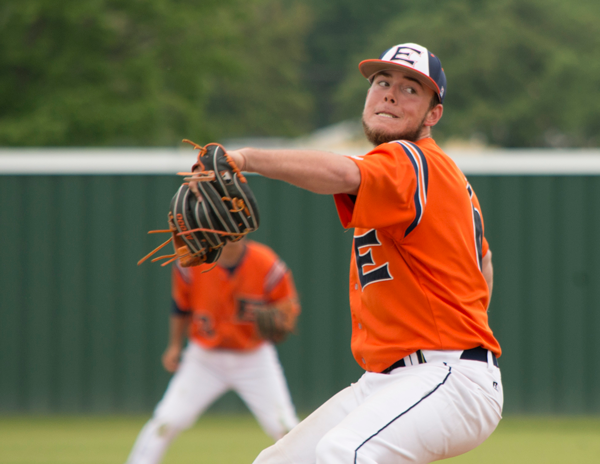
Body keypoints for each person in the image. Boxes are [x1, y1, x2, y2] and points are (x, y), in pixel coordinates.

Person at [194, 43, 503, 463]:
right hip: (395, 379)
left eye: (411, 89)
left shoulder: (409, 157)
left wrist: (245, 158)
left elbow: (342, 172)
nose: (390, 94)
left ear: (433, 115)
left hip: (445, 374)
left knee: (344, 452)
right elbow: (482, 263)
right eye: (381, 82)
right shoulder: (427, 175)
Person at [125, 238, 300, 464]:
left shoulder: (266, 262)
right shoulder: (193, 260)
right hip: (204, 359)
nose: (230, 232)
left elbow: (289, 306)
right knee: (166, 421)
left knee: (285, 427)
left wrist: (282, 318)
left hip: (254, 358)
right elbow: (180, 306)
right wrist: (175, 345)